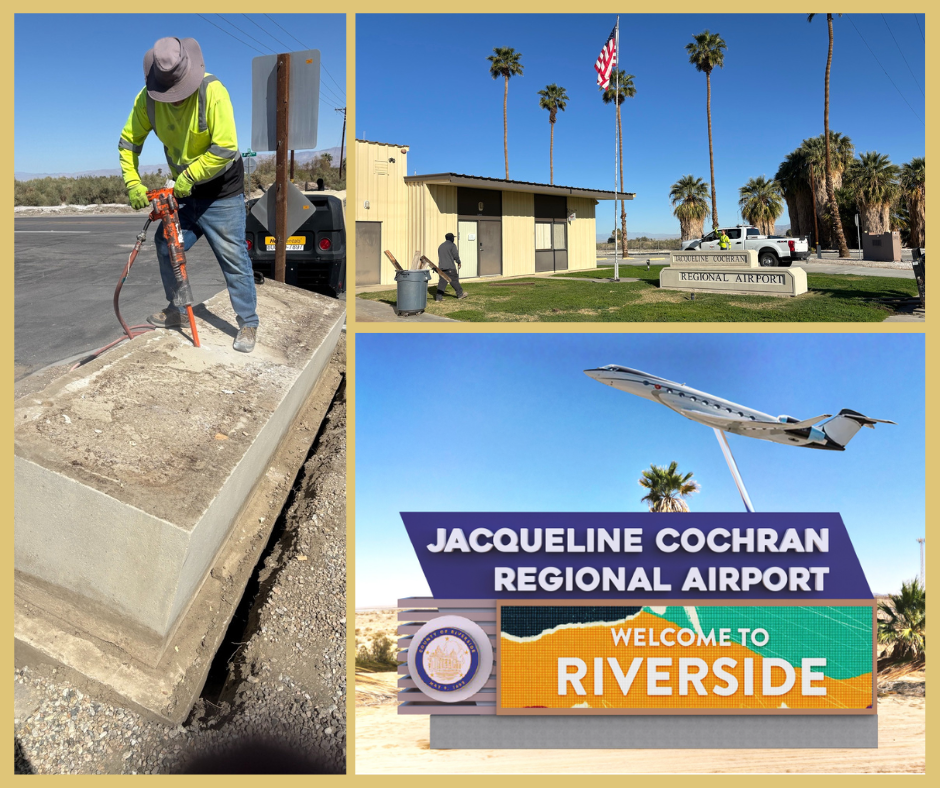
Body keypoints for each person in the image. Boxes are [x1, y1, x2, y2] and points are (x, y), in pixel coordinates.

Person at [119, 37, 259, 353]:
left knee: (233, 257)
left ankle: (248, 324)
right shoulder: (148, 101)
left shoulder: (213, 92)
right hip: (184, 194)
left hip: (222, 193)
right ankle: (178, 312)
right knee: (166, 245)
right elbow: (128, 144)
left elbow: (225, 149)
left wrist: (190, 176)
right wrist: (132, 183)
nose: (174, 99)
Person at [434, 232, 468, 301]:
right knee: (454, 281)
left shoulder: (441, 246)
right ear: (451, 238)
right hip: (450, 267)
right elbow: (455, 255)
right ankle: (460, 294)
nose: (454, 239)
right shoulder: (452, 245)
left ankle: (438, 298)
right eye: (453, 238)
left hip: (441, 268)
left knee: (442, 283)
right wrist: (459, 262)